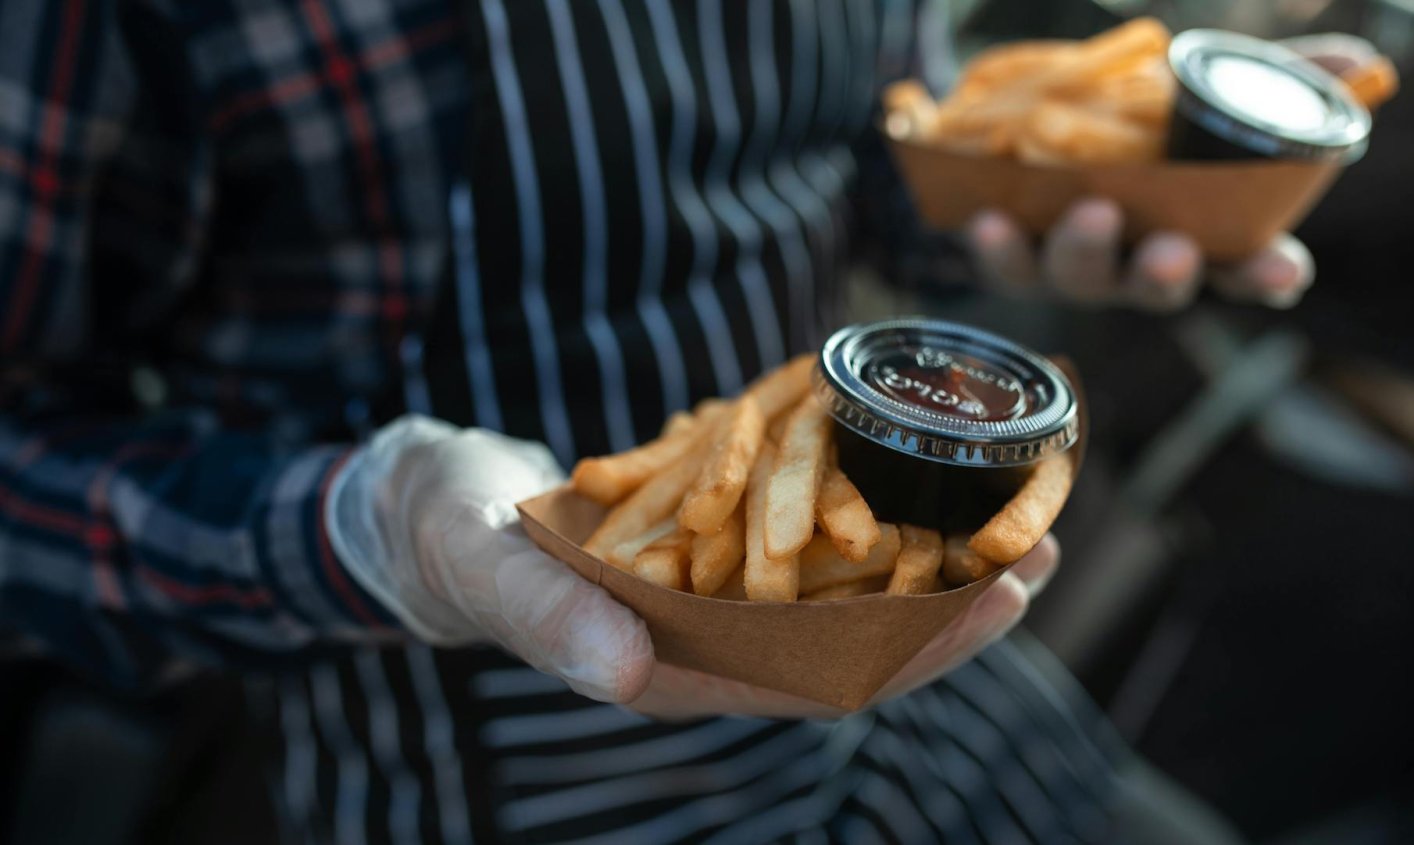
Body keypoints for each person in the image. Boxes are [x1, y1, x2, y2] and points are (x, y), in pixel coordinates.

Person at [0, 1, 1313, 842]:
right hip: (489, 778)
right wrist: (373, 522)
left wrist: (1046, 195)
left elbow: (870, 159)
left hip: (918, 690)